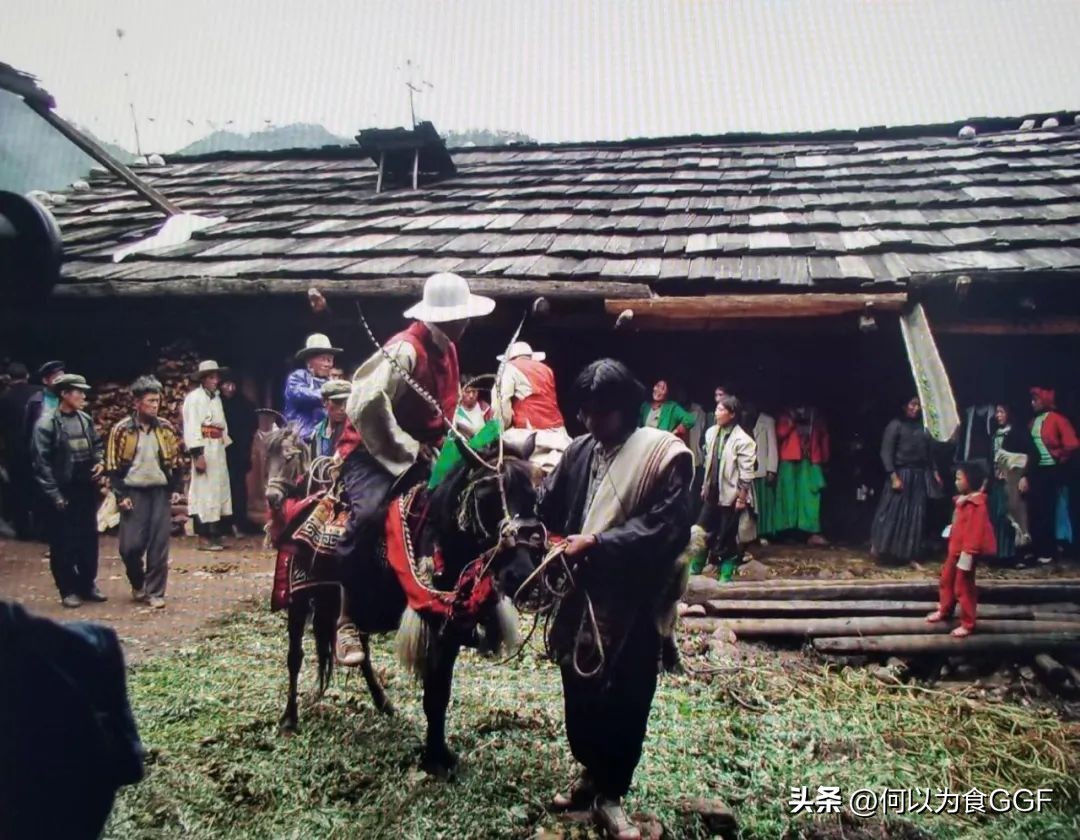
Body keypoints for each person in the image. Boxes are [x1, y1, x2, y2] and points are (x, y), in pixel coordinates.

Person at [538, 359, 692, 840]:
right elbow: (548, 503)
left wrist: (600, 543)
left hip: (633, 598)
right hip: (580, 592)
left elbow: (667, 528)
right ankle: (589, 773)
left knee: (627, 696)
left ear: (625, 409)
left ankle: (612, 793)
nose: (588, 423)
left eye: (598, 414)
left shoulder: (661, 455)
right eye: (583, 412)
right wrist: (537, 529)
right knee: (577, 687)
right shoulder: (580, 450)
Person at [335, 272, 495, 666]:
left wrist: (468, 441)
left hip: (426, 450)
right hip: (373, 454)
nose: (467, 323)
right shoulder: (406, 350)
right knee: (369, 516)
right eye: (462, 315)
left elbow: (444, 408)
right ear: (443, 317)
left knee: (461, 508)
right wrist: (409, 448)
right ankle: (347, 619)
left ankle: (453, 606)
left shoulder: (450, 349)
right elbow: (366, 405)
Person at [105, 376, 184, 609]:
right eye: (150, 400)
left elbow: (176, 461)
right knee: (129, 547)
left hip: (159, 491)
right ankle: (138, 583)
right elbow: (112, 466)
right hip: (133, 491)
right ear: (137, 403)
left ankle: (155, 591)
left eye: (157, 400)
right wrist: (121, 496)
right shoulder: (121, 430)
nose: (155, 405)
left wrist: (175, 488)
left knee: (159, 545)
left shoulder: (166, 428)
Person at [31, 374, 106, 608]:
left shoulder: (85, 419)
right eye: (78, 391)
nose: (83, 396)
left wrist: (100, 462)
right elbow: (40, 464)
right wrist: (54, 494)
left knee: (88, 538)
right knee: (63, 541)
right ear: (64, 394)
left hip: (85, 487)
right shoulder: (46, 423)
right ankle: (67, 589)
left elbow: (97, 445)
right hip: (64, 489)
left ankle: (87, 584)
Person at [870, 397, 945, 563]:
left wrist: (934, 472)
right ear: (904, 406)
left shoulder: (924, 428)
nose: (916, 408)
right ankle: (882, 549)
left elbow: (929, 454)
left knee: (914, 515)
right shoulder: (895, 425)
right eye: (912, 404)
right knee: (892, 513)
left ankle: (909, 554)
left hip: (918, 476)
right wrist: (893, 475)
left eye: (918, 405)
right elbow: (886, 453)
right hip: (900, 474)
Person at [926, 462, 996, 637]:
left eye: (959, 478)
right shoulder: (962, 502)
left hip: (966, 552)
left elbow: (976, 531)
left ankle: (968, 622)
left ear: (970, 480)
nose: (956, 482)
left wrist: (969, 553)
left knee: (963, 587)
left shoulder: (977, 504)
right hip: (954, 549)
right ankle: (944, 609)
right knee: (946, 580)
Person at [695, 395, 757, 580]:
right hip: (713, 491)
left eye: (721, 410)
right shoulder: (711, 432)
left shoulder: (743, 440)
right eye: (717, 408)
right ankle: (696, 565)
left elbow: (746, 472)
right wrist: (704, 486)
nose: (717, 412)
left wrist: (742, 497)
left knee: (727, 533)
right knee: (702, 528)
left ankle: (726, 573)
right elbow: (709, 462)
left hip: (731, 494)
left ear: (732, 414)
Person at [494, 341, 571, 471]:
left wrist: (501, 429)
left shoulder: (509, 368)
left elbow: (501, 407)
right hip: (559, 434)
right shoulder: (547, 370)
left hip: (529, 434)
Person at [1023, 386, 1079, 565]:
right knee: (1036, 509)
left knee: (1049, 510)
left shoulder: (1057, 419)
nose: (1032, 403)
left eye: (1035, 400)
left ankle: (1049, 549)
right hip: (1037, 470)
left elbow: (1072, 443)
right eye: (1032, 400)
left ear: (1045, 401)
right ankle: (1038, 548)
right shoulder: (1032, 422)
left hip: (1051, 471)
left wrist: (1058, 455)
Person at [182, 361, 232, 552]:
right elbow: (192, 425)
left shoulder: (216, 399)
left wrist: (224, 442)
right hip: (204, 446)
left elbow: (222, 424)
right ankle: (202, 535)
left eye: (216, 377)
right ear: (203, 379)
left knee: (218, 490)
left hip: (217, 448)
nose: (215, 381)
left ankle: (215, 533)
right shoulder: (194, 399)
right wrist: (197, 453)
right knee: (203, 490)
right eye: (211, 377)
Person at [774, 405, 830, 545]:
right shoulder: (786, 416)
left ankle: (812, 532)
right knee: (789, 496)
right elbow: (779, 434)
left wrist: (824, 458)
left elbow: (824, 436)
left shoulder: (816, 417)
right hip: (789, 460)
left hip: (810, 460)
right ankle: (788, 531)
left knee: (811, 495)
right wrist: (792, 422)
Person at [989, 403, 1034, 562]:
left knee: (1015, 516)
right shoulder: (995, 435)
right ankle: (1001, 554)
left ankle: (1018, 555)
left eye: (1001, 412)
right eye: (997, 412)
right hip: (998, 481)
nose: (998, 415)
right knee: (1000, 515)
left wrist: (1024, 476)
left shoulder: (1019, 433)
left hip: (1014, 480)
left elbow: (1031, 455)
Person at [0, 362, 37, 538]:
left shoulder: (4, 399)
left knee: (18, 491)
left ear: (8, 378)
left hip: (14, 452)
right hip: (37, 450)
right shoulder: (38, 394)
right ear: (27, 375)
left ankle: (23, 531)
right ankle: (42, 529)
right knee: (39, 489)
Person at [284, 333, 342, 440]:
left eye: (330, 360)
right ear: (309, 362)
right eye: (323, 359)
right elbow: (301, 394)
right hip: (300, 439)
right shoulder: (297, 377)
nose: (328, 364)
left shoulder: (330, 382)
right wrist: (330, 392)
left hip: (324, 438)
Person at [221, 375, 258, 534]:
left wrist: (245, 449)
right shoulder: (217, 404)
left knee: (239, 487)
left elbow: (252, 426)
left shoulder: (245, 405)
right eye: (226, 384)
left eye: (232, 384)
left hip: (240, 452)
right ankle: (224, 523)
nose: (229, 388)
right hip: (220, 452)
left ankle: (240, 520)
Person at [743, 401, 778, 543]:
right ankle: (751, 535)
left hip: (763, 469)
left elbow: (772, 446)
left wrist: (772, 469)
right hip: (748, 471)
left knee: (764, 505)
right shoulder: (743, 421)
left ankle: (763, 534)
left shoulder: (767, 421)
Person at [22, 360, 65, 439]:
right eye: (56, 377)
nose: (60, 381)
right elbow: (28, 430)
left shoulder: (69, 397)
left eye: (62, 377)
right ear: (45, 380)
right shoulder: (35, 401)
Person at [311, 379, 351, 458]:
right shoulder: (317, 432)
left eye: (347, 402)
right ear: (324, 402)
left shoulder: (356, 432)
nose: (343, 408)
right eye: (337, 402)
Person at [454, 374, 492, 438]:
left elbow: (492, 429)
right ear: (461, 391)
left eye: (474, 392)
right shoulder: (455, 409)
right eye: (468, 392)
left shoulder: (485, 408)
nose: (471, 396)